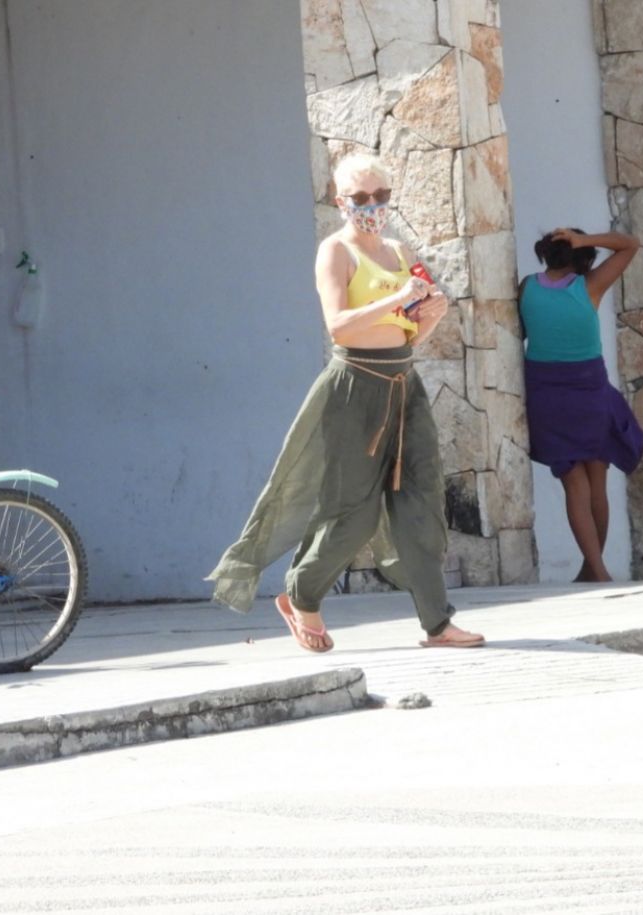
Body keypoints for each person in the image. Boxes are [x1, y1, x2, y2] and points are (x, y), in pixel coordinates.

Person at [207, 153, 484, 651]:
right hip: (355, 386)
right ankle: (301, 593)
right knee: (351, 511)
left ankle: (438, 624)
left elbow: (406, 334)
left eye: (381, 196)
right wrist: (396, 301)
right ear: (341, 202)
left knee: (421, 503)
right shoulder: (335, 252)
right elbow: (339, 324)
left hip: (404, 385)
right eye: (361, 199)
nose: (372, 206)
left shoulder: (399, 253)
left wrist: (431, 315)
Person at [518, 227, 643, 583]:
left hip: (547, 393)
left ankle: (594, 570)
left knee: (574, 484)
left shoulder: (527, 287)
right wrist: (587, 240)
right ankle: (596, 570)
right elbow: (631, 243)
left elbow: (522, 334)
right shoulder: (589, 286)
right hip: (588, 391)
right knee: (597, 482)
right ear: (582, 257)